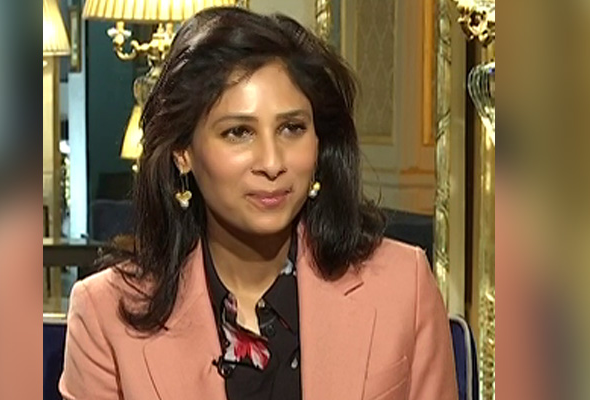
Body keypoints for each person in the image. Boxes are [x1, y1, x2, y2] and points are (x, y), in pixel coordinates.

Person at [59, 6, 457, 400]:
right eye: (238, 132)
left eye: (292, 128)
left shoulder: (404, 286)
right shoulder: (105, 314)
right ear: (183, 151)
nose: (272, 162)